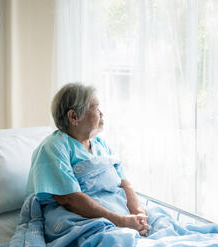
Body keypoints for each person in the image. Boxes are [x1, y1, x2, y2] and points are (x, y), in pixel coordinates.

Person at [26, 82, 151, 236]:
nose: (102, 113)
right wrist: (121, 222)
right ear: (74, 116)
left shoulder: (100, 144)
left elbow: (124, 183)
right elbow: (70, 199)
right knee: (114, 239)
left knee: (162, 222)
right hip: (80, 217)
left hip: (119, 212)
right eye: (96, 108)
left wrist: (138, 214)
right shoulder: (54, 147)